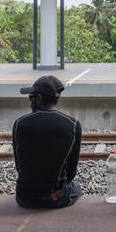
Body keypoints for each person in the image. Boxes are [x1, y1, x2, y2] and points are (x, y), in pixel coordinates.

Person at [13, 76, 83, 208]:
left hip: (24, 198)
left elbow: (19, 166)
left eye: (30, 97)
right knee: (76, 187)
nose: (30, 102)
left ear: (38, 99)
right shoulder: (73, 124)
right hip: (55, 199)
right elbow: (71, 173)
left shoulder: (19, 123)